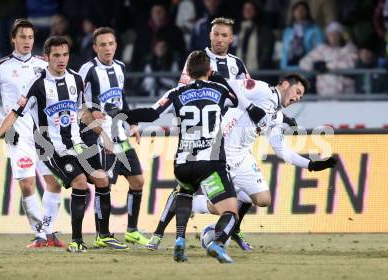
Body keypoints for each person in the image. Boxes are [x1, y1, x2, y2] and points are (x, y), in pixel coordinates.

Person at [121, 50, 267, 263]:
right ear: (209, 70)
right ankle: (217, 243)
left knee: (184, 192)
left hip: (183, 163)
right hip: (211, 163)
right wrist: (217, 78)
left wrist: (121, 113)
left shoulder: (175, 93)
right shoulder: (219, 90)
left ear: (187, 72)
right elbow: (237, 100)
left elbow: (151, 114)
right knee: (231, 212)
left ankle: (179, 239)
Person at [0, 36, 111, 253]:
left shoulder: (76, 79)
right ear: (47, 58)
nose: (61, 60)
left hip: (77, 144)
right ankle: (76, 240)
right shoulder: (37, 83)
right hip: (51, 147)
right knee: (80, 182)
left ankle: (104, 236)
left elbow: (82, 112)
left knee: (102, 179)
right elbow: (15, 112)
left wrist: (104, 135)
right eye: (56, 55)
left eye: (65, 54)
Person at [192, 74, 337, 233]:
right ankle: (192, 204)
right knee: (221, 208)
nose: (297, 98)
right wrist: (216, 78)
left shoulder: (278, 115)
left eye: (301, 96)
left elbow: (281, 149)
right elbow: (231, 85)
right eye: (297, 92)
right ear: (285, 84)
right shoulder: (261, 89)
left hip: (241, 157)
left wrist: (311, 165)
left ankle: (230, 227)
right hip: (218, 153)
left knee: (263, 199)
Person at [0, 19, 63, 248]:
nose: (27, 41)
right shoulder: (0, 67)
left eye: (30, 37)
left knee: (55, 182)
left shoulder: (43, 64)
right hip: (16, 133)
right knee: (27, 184)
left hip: (45, 132)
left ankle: (48, 231)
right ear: (13, 39)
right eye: (22, 37)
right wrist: (6, 126)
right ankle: (40, 234)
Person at [78, 27, 148, 248]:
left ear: (116, 45)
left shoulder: (120, 67)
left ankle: (132, 231)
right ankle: (103, 234)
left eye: (110, 44)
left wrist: (133, 123)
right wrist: (90, 108)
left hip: (120, 134)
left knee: (138, 180)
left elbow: (121, 99)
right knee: (104, 183)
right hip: (99, 135)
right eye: (102, 45)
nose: (107, 48)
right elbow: (75, 99)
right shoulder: (87, 70)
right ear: (95, 47)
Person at [299, 21, 358, 96]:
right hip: (325, 95)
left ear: (341, 35)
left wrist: (326, 66)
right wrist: (314, 66)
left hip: (346, 96)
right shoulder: (321, 49)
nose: (333, 37)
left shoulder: (350, 48)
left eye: (336, 34)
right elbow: (303, 63)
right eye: (331, 34)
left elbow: (351, 64)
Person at [280, 1, 323, 70]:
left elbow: (320, 49)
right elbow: (285, 51)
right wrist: (283, 67)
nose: (300, 11)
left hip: (308, 69)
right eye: (297, 9)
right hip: (289, 69)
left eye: (303, 9)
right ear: (293, 13)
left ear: (307, 12)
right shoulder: (288, 31)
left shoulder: (315, 30)